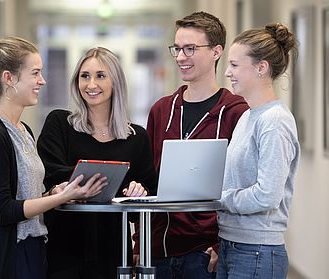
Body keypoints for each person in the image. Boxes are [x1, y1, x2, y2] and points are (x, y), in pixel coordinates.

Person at [0, 37, 107, 279]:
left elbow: (25, 200)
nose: (42, 81)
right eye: (35, 73)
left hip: (32, 250)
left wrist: (52, 194)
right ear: (9, 79)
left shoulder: (24, 130)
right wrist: (62, 198)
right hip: (7, 258)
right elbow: (2, 211)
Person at [132, 11, 250, 279]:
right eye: (177, 48)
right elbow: (146, 179)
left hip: (205, 254)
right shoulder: (161, 110)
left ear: (216, 52)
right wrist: (139, 241)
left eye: (190, 48)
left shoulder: (236, 112)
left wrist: (222, 246)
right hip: (158, 250)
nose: (181, 57)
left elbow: (240, 184)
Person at [36, 47, 158, 279]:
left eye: (100, 76)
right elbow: (50, 174)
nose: (91, 84)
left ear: (116, 82)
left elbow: (148, 194)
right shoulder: (60, 124)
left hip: (112, 253)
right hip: (62, 249)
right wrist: (112, 179)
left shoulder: (136, 137)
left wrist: (137, 190)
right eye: (85, 76)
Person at [217, 23, 300, 279]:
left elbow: (267, 196)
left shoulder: (274, 121)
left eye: (234, 65)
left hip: (257, 251)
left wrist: (219, 198)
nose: (228, 73)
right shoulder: (247, 117)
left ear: (261, 67)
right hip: (230, 244)